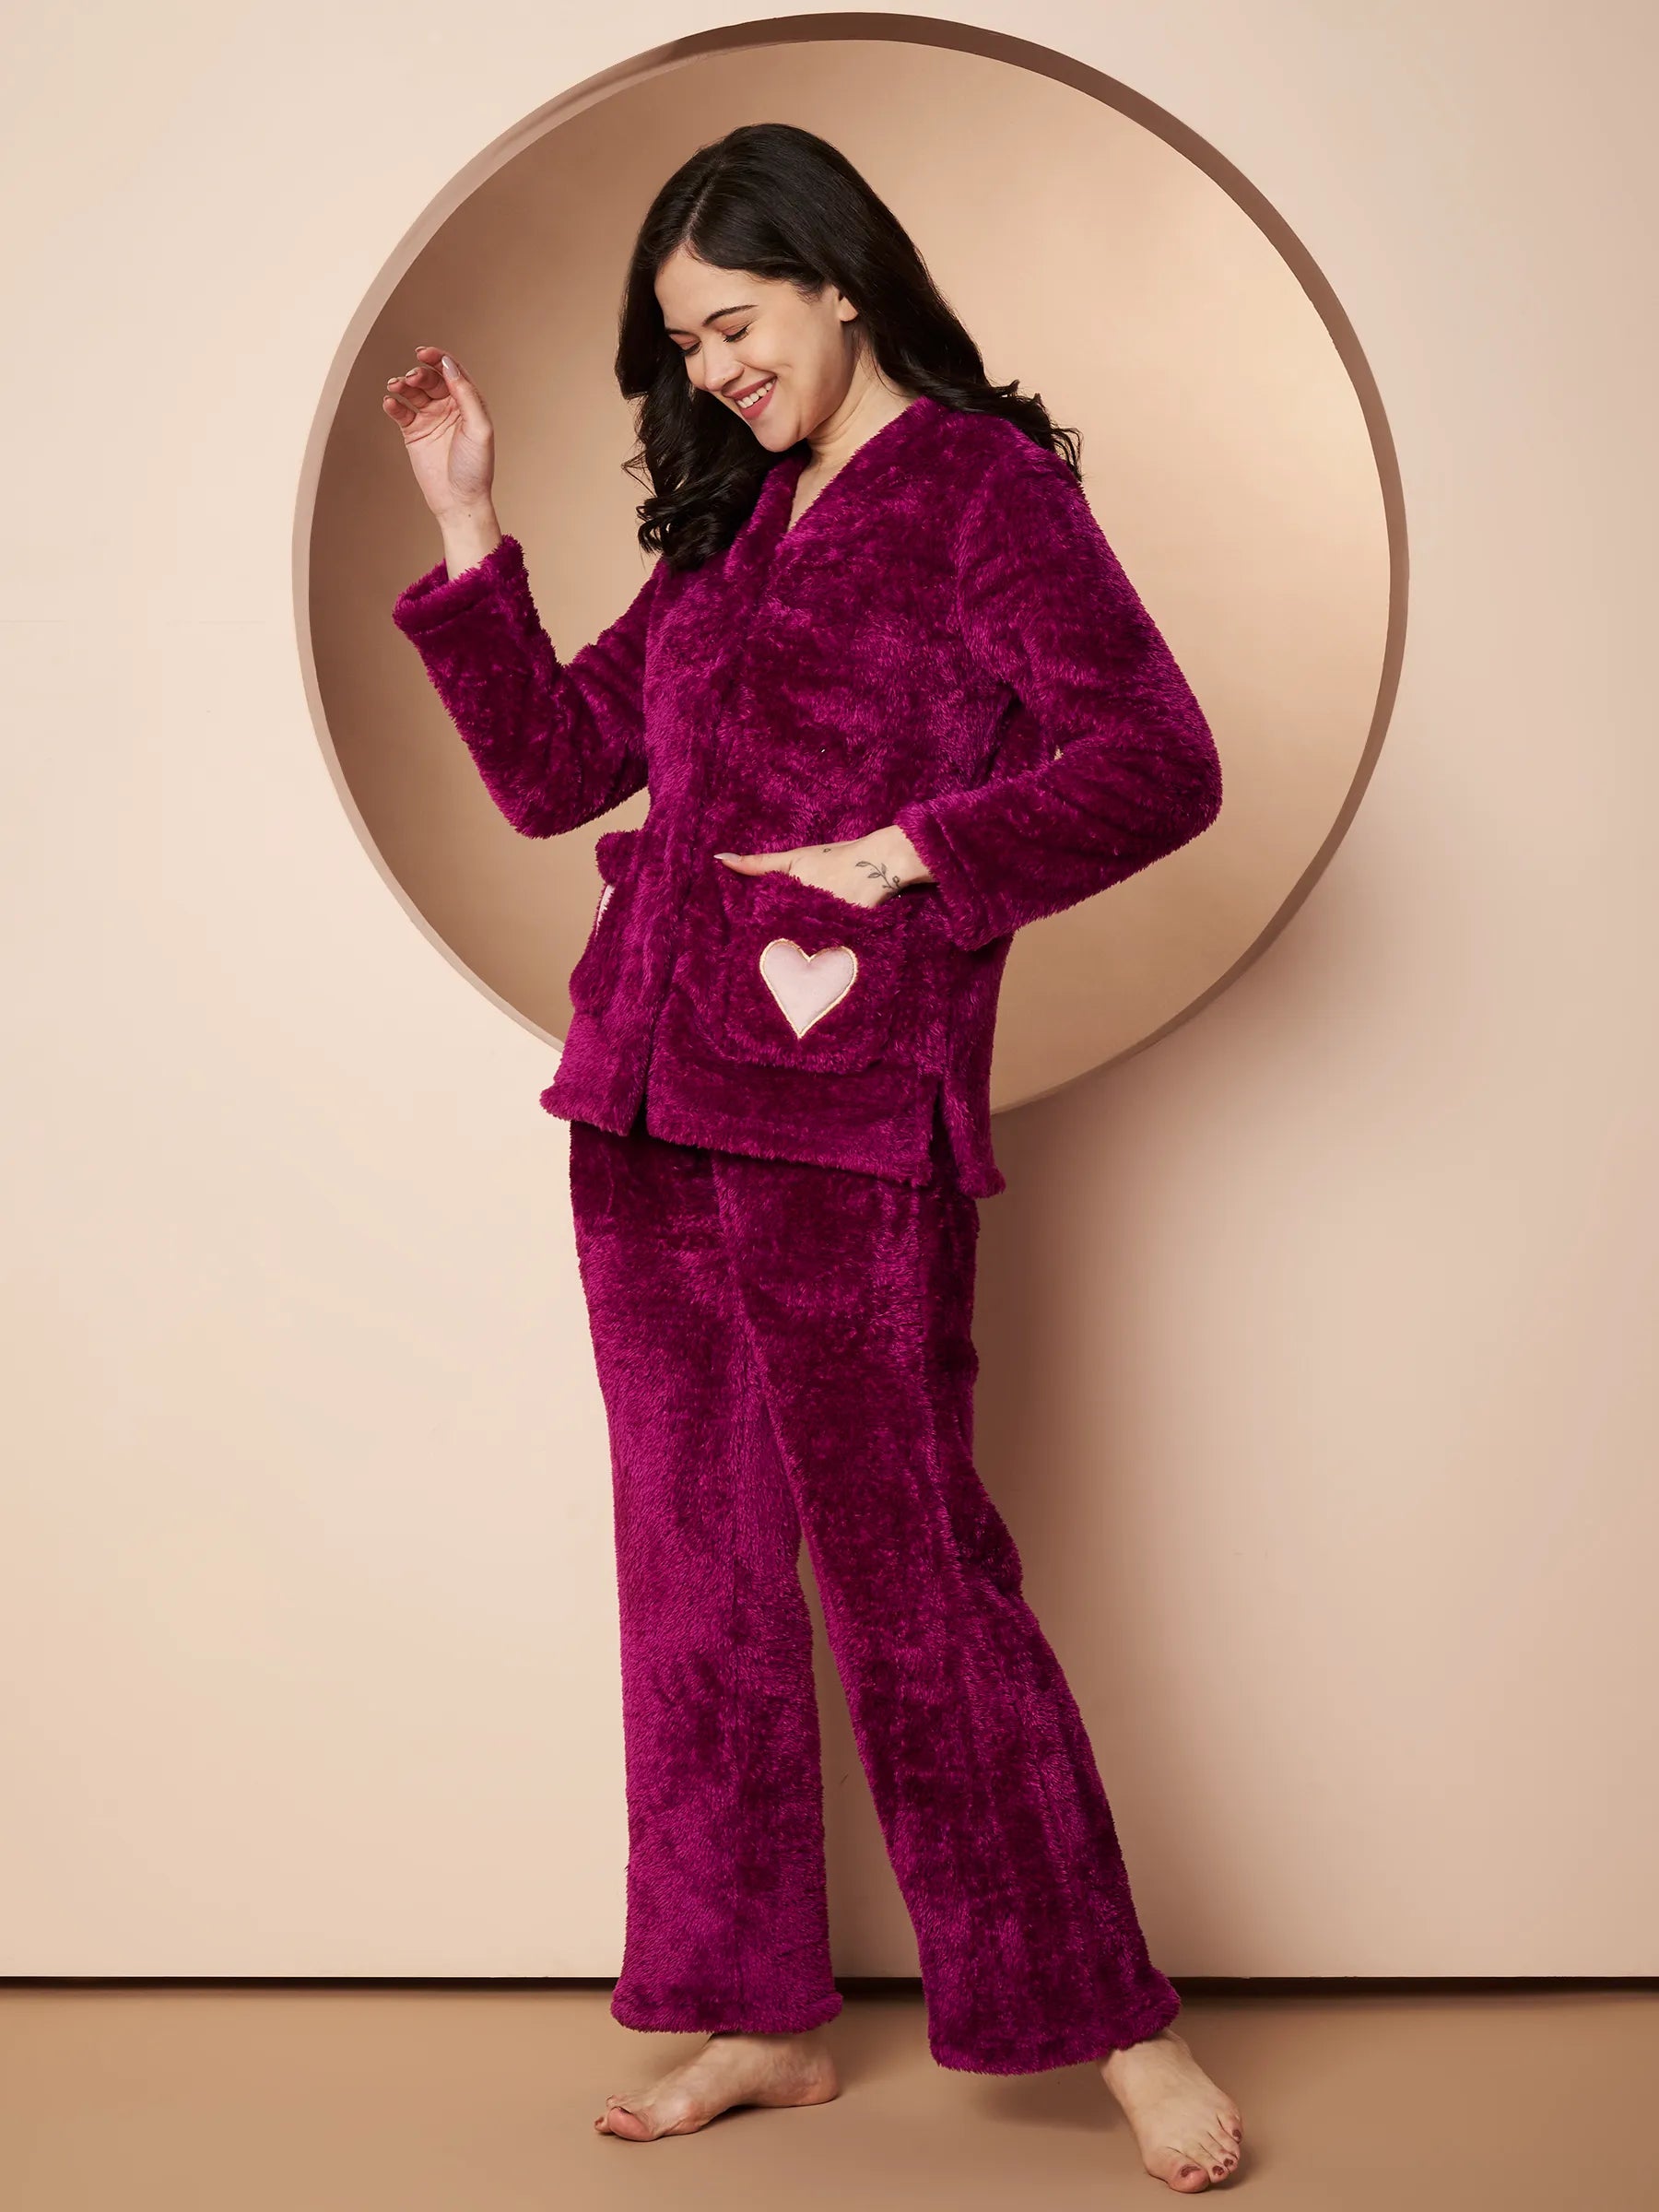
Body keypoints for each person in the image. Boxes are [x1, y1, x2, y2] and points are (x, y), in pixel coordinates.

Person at [382, 121, 1241, 2194]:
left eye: (736, 323)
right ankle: (757, 2013)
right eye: (686, 346)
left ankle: (1114, 2025)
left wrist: (914, 854)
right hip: (640, 1118)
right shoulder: (731, 525)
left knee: (914, 1578)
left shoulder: (982, 490)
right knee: (693, 1582)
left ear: (841, 279)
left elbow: (1161, 759)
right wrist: (469, 519)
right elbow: (553, 774)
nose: (717, 369)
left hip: (844, 1116)